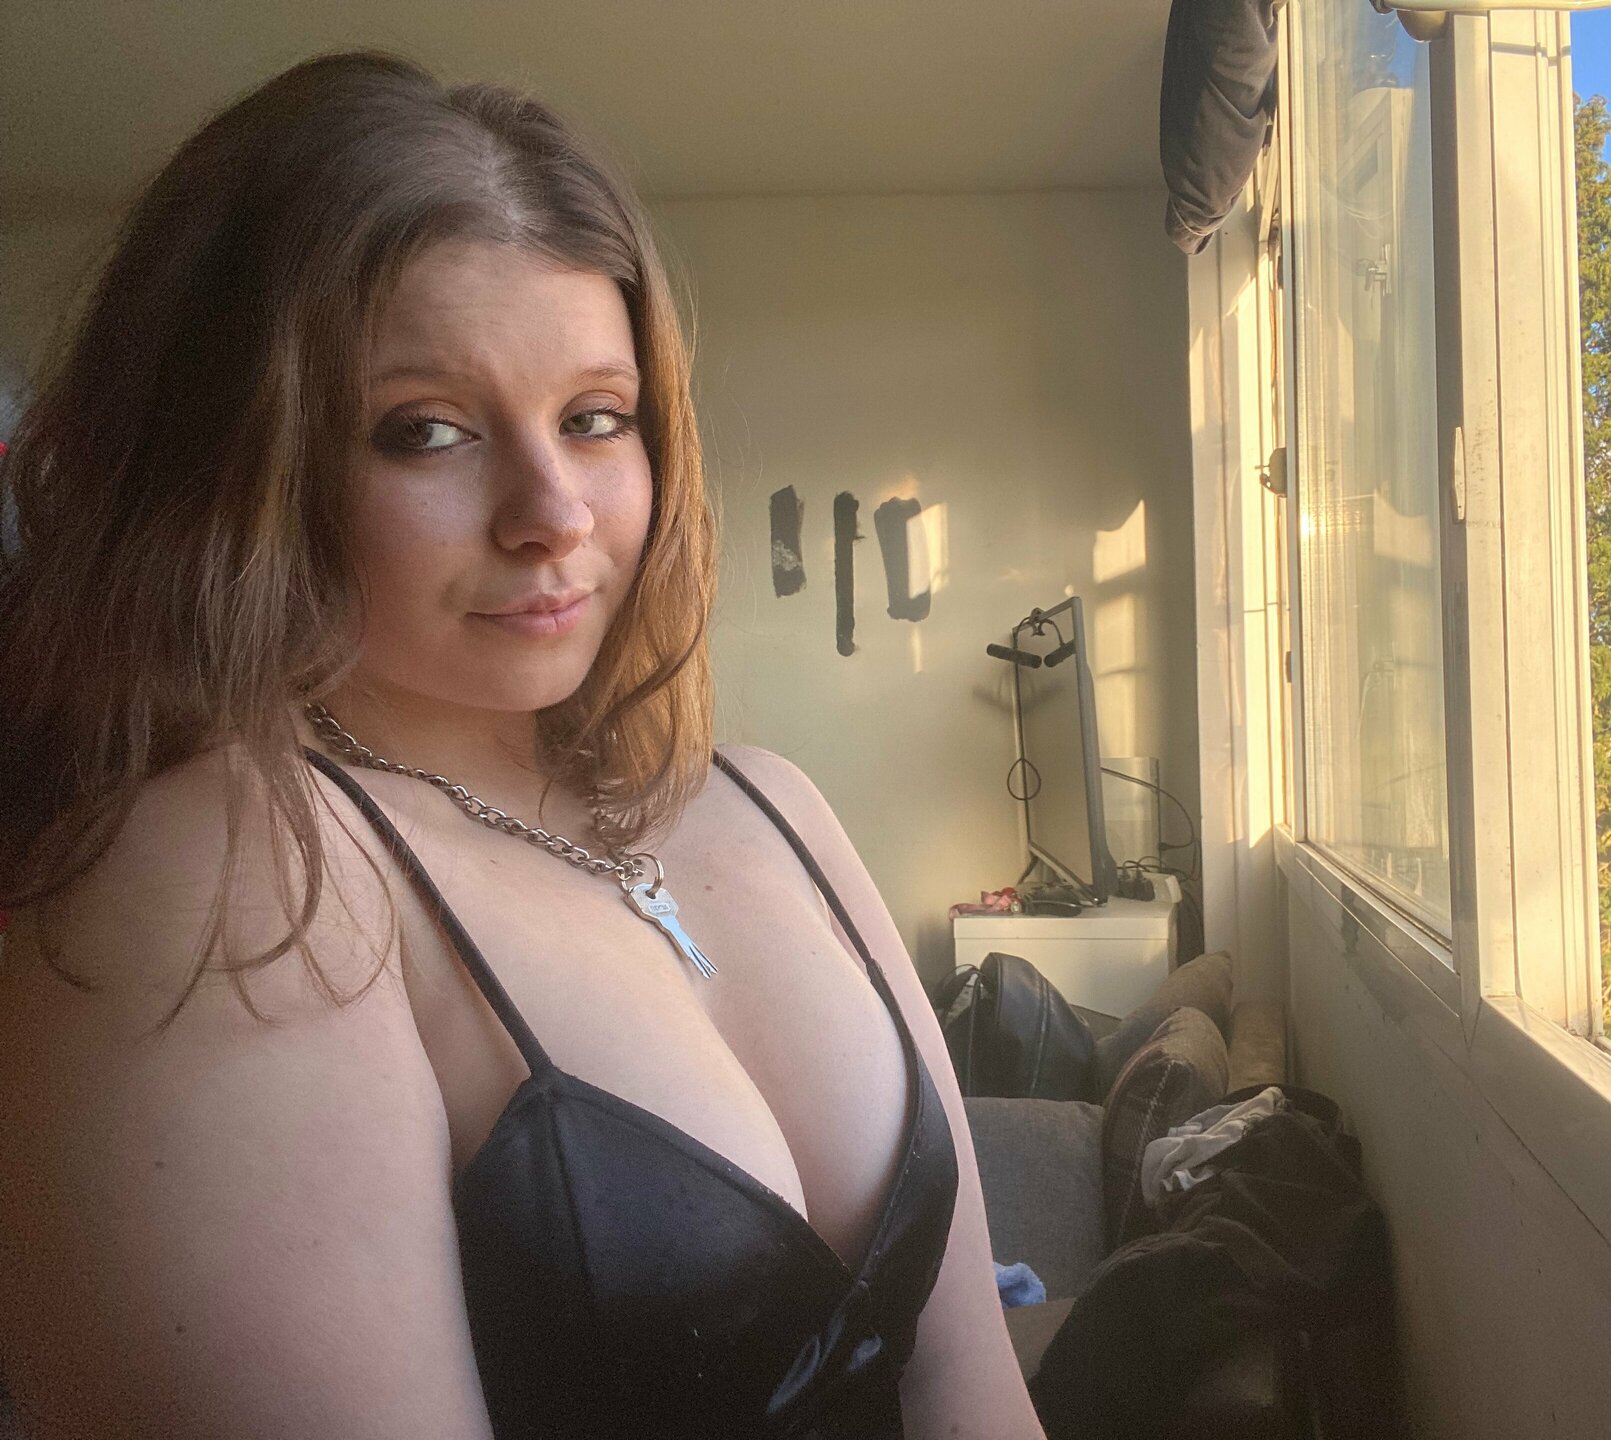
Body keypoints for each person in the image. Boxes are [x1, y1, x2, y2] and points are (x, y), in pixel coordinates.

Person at [0, 49, 1044, 1440]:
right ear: (232, 465)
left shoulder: (771, 805)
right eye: (425, 432)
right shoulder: (230, 871)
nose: (554, 511)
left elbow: (973, 1391)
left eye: (596, 418)